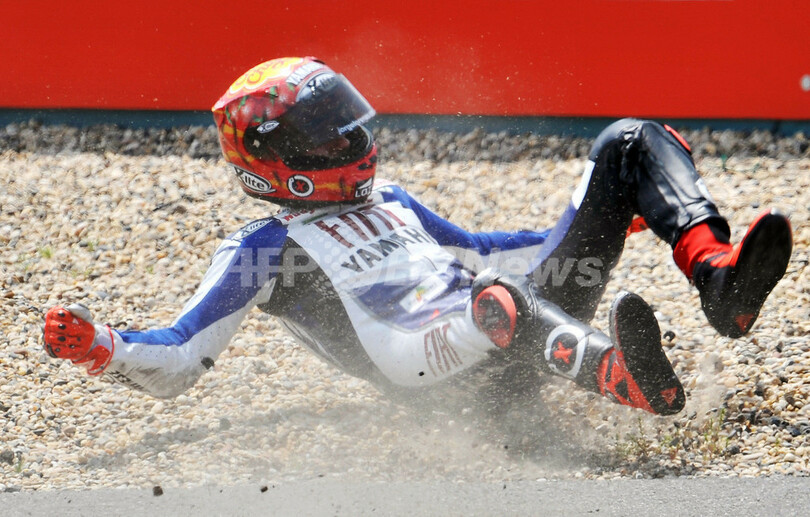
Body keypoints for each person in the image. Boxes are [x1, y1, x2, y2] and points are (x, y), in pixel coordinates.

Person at [42, 57, 793, 417]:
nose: (351, 138)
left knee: (628, 140)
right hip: (447, 377)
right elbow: (181, 354)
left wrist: (597, 217)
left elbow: (487, 251)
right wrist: (104, 345)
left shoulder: (392, 199)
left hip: (509, 308)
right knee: (496, 300)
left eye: (344, 121)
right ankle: (620, 374)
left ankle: (718, 277)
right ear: (282, 159)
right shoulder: (263, 250)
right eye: (325, 131)